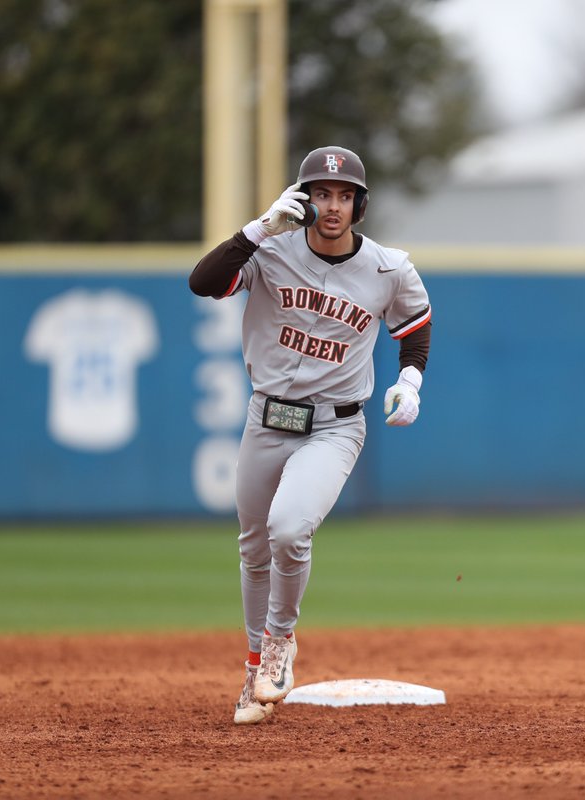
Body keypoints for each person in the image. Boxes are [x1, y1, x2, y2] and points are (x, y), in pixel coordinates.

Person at [188, 146, 432, 725]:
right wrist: (254, 231)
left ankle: (279, 643)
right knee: (253, 549)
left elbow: (416, 328)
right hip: (266, 417)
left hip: (335, 424)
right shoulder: (269, 251)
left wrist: (411, 380)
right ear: (303, 198)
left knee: (288, 528)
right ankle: (255, 672)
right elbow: (203, 283)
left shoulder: (387, 267)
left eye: (344, 195)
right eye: (321, 193)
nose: (332, 205)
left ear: (360, 204)